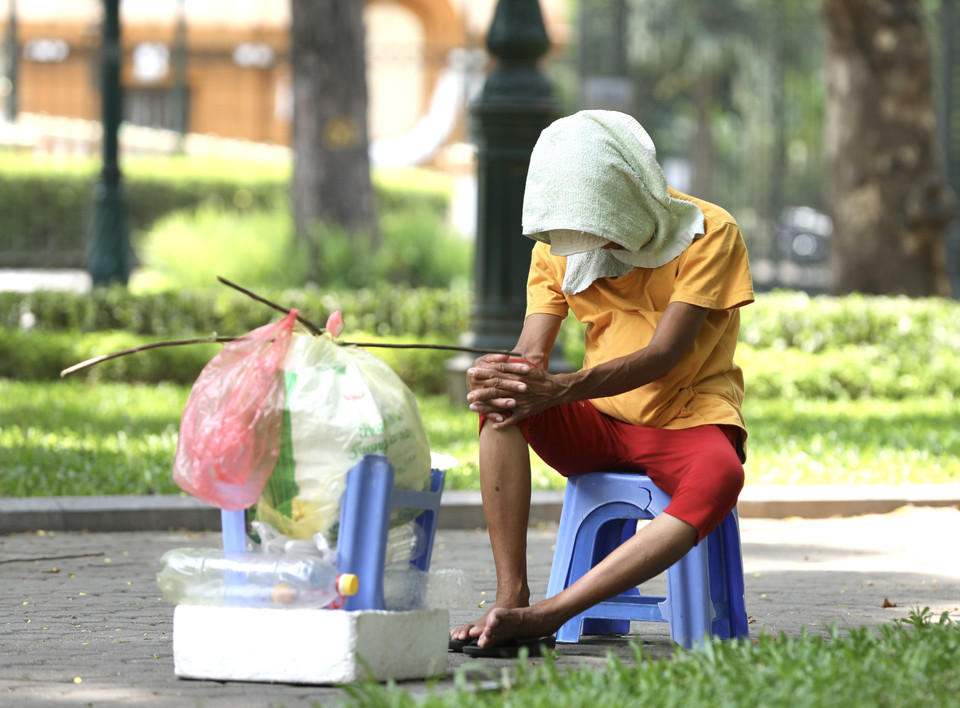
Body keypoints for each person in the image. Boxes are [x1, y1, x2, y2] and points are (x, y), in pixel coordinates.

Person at [449, 110, 754, 658]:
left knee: (721, 474)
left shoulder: (712, 233)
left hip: (688, 417)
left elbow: (662, 355)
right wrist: (506, 372)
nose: (596, 242)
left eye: (602, 224)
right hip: (599, 423)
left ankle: (547, 613)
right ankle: (510, 595)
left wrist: (561, 389)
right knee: (502, 403)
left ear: (633, 192)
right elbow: (530, 355)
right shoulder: (557, 248)